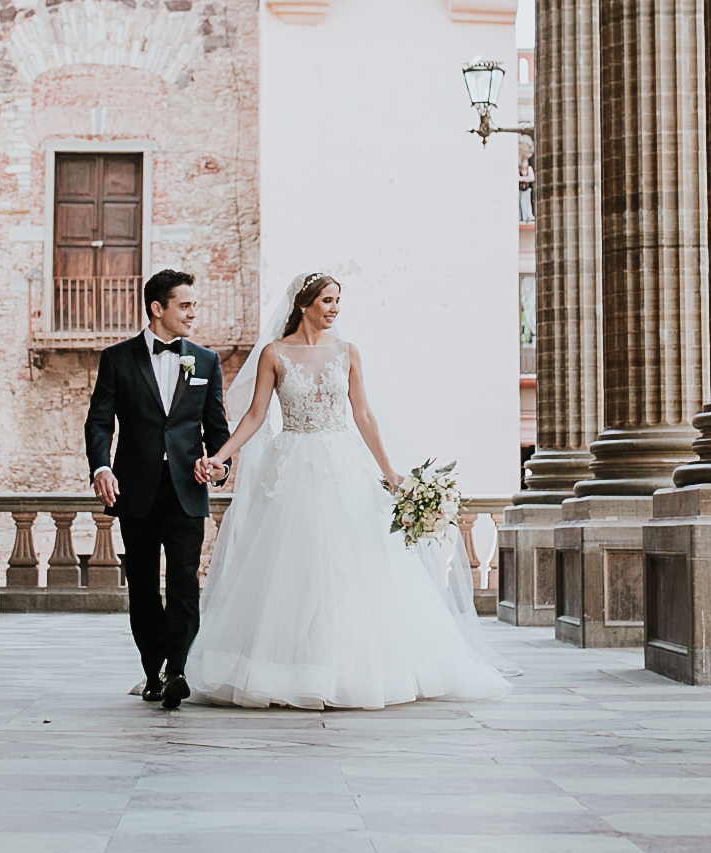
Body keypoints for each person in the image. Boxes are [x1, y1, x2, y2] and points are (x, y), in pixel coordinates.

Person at [184, 271, 507, 710]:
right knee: (293, 566)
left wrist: (390, 471)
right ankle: (292, 665)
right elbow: (257, 415)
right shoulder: (274, 354)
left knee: (353, 565)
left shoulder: (348, 352)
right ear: (303, 304)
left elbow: (364, 415)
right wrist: (221, 456)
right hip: (292, 466)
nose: (335, 308)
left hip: (344, 463)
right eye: (327, 300)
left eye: (338, 300)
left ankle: (352, 667)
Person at [83, 269, 230, 711]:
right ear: (157, 308)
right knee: (144, 585)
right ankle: (152, 670)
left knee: (185, 581)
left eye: (194, 305)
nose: (193, 313)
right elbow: (99, 421)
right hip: (136, 490)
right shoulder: (118, 358)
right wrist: (101, 468)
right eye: (185, 305)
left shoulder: (206, 362)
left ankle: (178, 671)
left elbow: (218, 432)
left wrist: (217, 468)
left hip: (187, 489)